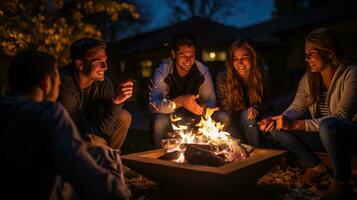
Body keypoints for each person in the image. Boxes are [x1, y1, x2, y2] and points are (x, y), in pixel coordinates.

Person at [0, 50, 131, 199]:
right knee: (104, 154)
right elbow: (77, 165)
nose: (60, 84)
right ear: (46, 82)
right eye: (57, 79)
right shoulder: (48, 112)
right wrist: (118, 194)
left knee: (100, 151)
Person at [259, 28, 357, 199]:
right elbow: (296, 107)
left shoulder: (351, 73)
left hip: (349, 135)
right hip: (324, 134)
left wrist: (295, 124)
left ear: (329, 51)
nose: (307, 59)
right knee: (276, 128)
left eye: (311, 53)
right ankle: (317, 167)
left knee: (328, 125)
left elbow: (341, 117)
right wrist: (280, 119)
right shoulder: (309, 78)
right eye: (306, 54)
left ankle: (341, 182)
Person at [149, 32, 227, 147]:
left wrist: (205, 108)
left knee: (223, 117)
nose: (188, 60)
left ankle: (211, 153)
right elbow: (153, 104)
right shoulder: (163, 71)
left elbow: (210, 99)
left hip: (196, 117)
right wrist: (180, 101)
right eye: (183, 55)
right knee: (158, 121)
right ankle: (157, 159)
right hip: (170, 118)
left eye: (192, 55)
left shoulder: (202, 71)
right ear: (173, 54)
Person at [58, 38, 133, 150]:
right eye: (98, 62)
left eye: (105, 61)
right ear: (80, 64)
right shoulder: (64, 85)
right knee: (95, 140)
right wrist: (100, 140)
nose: (105, 67)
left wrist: (117, 102)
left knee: (123, 116)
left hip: (94, 131)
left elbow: (107, 126)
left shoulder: (104, 83)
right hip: (68, 138)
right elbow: (77, 132)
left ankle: (110, 161)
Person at [216, 39, 272, 146]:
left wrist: (255, 108)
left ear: (253, 58)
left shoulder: (262, 75)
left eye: (244, 58)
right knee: (222, 117)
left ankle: (256, 154)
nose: (239, 63)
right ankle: (244, 149)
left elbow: (267, 102)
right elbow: (224, 106)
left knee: (248, 116)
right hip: (233, 119)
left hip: (255, 120)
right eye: (235, 59)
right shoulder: (223, 78)